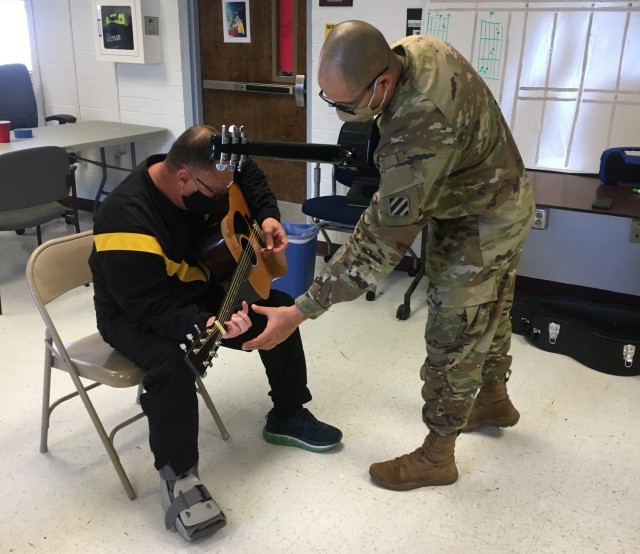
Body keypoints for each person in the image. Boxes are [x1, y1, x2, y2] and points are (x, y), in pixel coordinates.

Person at [243, 21, 535, 491]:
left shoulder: (417, 130)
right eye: (327, 98)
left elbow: (379, 244)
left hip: (484, 221)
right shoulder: (414, 50)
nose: (338, 112)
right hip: (481, 199)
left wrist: (300, 311)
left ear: (382, 83)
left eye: (344, 103)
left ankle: (438, 456)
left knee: (454, 333)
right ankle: (494, 398)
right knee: (491, 308)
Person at [89, 125, 342, 541]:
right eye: (215, 191)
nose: (224, 196)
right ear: (185, 178)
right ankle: (179, 476)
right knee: (172, 363)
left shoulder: (212, 171)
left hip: (196, 283)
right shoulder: (125, 220)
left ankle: (287, 415)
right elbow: (147, 307)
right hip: (131, 311)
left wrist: (266, 215)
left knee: (276, 308)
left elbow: (248, 175)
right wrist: (206, 323)